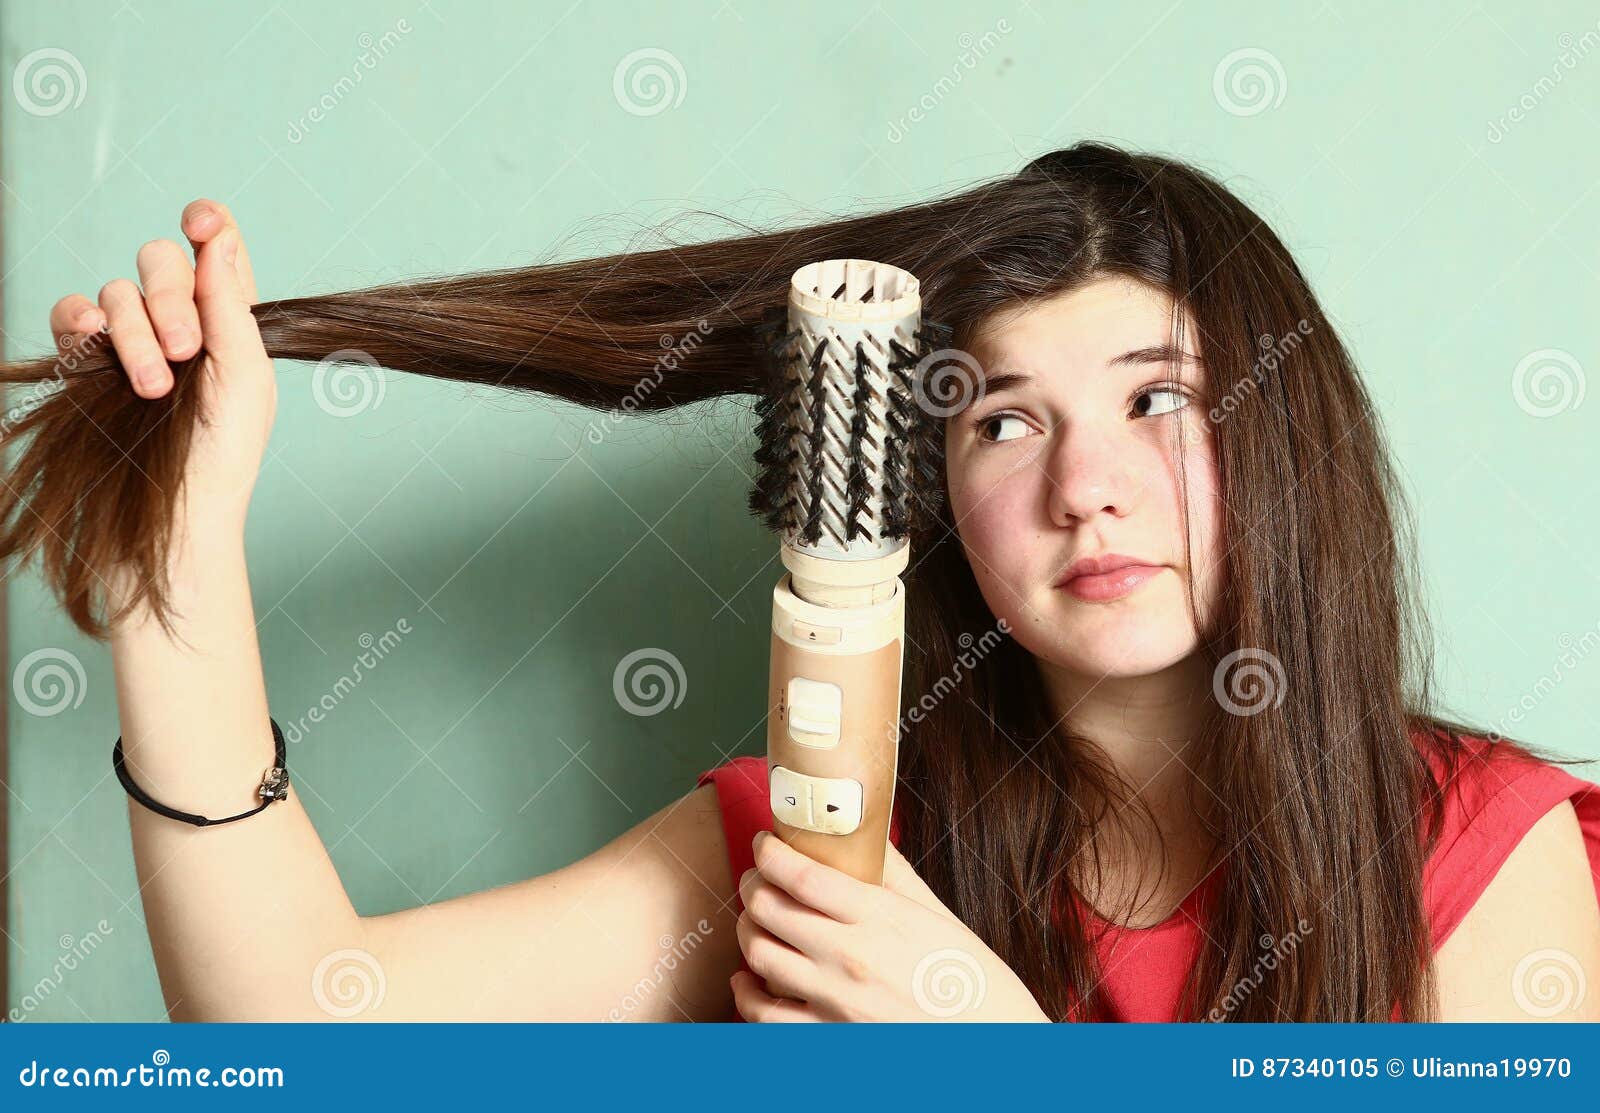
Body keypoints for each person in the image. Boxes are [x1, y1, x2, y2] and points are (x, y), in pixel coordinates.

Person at [23, 144, 1600, 1021]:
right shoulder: (826, 859)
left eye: (1158, 397)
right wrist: (174, 579)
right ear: (932, 497)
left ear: (1284, 429)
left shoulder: (1475, 850)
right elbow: (301, 1019)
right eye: (1001, 418)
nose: (1085, 483)